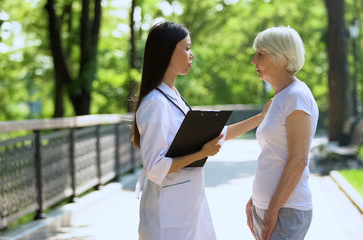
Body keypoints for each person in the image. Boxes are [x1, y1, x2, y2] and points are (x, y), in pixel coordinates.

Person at [132, 21, 271, 240]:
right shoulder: (155, 103)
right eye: (186, 48)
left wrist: (260, 118)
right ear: (167, 52)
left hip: (186, 205)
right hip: (167, 214)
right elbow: (155, 167)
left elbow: (217, 136)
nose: (192, 55)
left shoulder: (174, 96)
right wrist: (201, 153)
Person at [245, 26, 319, 240]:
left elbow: (298, 161)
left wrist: (273, 209)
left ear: (282, 58)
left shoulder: (297, 96)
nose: (253, 60)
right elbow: (274, 155)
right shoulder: (280, 98)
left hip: (286, 210)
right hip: (268, 207)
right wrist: (255, 199)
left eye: (261, 54)